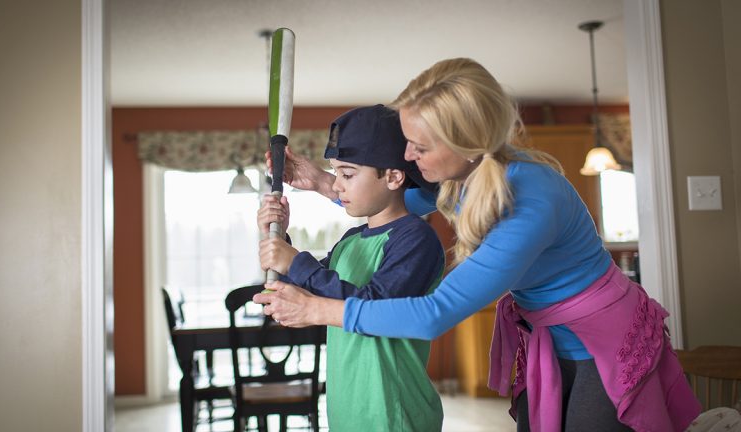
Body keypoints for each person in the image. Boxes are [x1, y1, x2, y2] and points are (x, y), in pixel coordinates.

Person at [255, 58, 701, 432]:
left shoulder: (530, 200)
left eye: (419, 146)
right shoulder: (462, 175)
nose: (406, 157)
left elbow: (434, 314)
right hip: (545, 330)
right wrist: (317, 180)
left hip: (604, 334)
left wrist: (315, 309)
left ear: (466, 144)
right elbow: (392, 196)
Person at [257, 104, 446, 431]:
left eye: (347, 174)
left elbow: (373, 306)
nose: (337, 185)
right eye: (336, 172)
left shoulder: (416, 239)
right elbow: (309, 294)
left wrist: (294, 259)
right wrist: (278, 237)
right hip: (349, 409)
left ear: (393, 176)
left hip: (393, 413)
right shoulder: (350, 239)